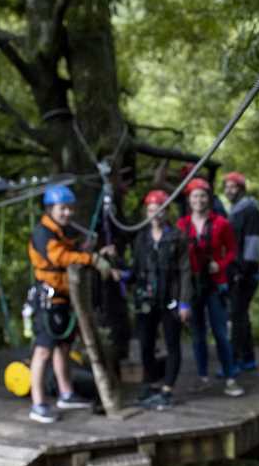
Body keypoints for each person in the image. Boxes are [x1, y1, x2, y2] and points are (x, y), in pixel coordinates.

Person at [27, 184, 116, 423]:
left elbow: (73, 249)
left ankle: (66, 393)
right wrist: (90, 259)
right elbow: (59, 257)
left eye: (70, 209)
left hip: (63, 298)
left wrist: (91, 250)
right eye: (62, 208)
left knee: (63, 347)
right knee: (43, 350)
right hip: (48, 300)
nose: (67, 213)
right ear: (50, 209)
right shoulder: (43, 233)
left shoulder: (63, 231)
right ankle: (38, 403)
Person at [176, 177, 245, 397]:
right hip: (192, 285)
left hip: (215, 284)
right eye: (195, 196)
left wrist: (221, 264)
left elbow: (233, 250)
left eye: (203, 195)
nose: (199, 199)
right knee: (198, 334)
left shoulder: (221, 223)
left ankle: (230, 377)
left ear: (209, 198)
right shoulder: (182, 225)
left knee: (220, 332)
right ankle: (203, 376)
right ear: (189, 199)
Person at [129, 189, 192, 409]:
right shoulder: (141, 237)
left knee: (172, 343)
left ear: (167, 212)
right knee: (145, 344)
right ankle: (148, 384)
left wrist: (184, 302)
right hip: (146, 299)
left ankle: (167, 389)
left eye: (160, 209)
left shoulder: (177, 237)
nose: (156, 214)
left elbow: (185, 271)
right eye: (152, 210)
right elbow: (136, 268)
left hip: (170, 298)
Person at [222, 171, 259, 371]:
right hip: (238, 271)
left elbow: (253, 241)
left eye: (233, 187)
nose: (229, 190)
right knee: (241, 315)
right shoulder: (235, 210)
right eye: (227, 187)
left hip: (245, 273)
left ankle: (236, 360)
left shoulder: (250, 210)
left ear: (241, 189)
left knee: (236, 315)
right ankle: (248, 358)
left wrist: (243, 271)